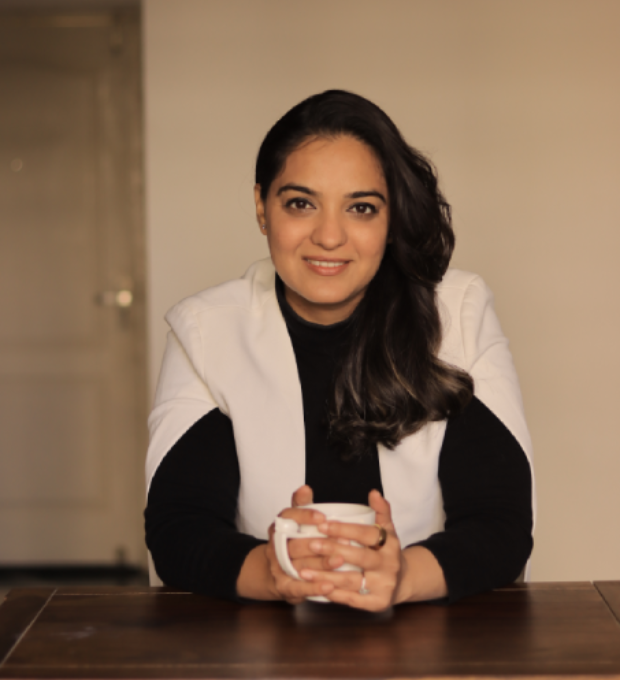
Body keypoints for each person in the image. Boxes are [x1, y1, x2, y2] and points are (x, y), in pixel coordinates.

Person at [145, 90, 534, 612]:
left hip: (434, 635)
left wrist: (400, 578)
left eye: (361, 208)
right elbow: (178, 530)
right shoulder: (205, 330)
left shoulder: (458, 313)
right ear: (261, 207)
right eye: (300, 203)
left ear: (390, 219)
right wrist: (273, 573)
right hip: (260, 642)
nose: (329, 237)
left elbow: (501, 526)